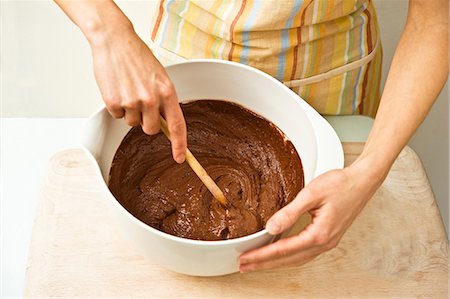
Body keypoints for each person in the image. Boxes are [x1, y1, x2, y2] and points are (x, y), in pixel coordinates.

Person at [55, 0, 448, 273]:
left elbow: (438, 18)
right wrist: (108, 30)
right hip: (177, 63)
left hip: (331, 76)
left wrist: (368, 172)